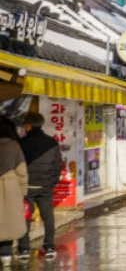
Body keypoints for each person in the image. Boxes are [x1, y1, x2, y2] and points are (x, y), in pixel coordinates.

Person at [16, 112, 62, 262]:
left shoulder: (21, 143)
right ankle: (49, 247)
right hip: (45, 187)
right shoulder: (52, 143)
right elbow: (57, 165)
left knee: (25, 217)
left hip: (27, 187)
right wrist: (52, 182)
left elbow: (18, 166)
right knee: (48, 217)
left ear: (28, 126)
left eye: (25, 125)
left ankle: (23, 249)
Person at [0, 117, 28, 267]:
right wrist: (22, 192)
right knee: (8, 220)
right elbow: (21, 170)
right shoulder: (14, 146)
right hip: (10, 185)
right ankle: (5, 254)